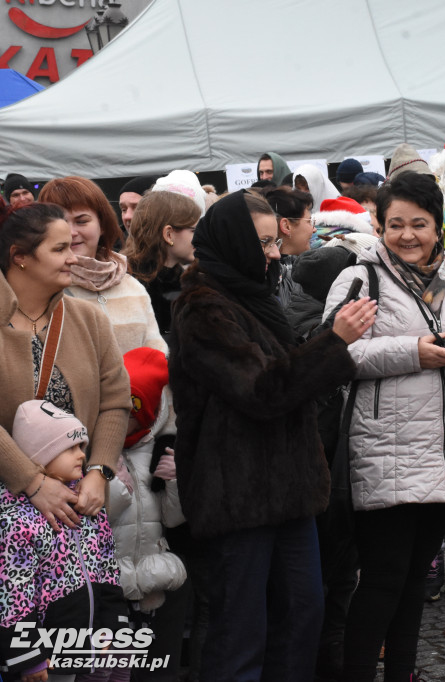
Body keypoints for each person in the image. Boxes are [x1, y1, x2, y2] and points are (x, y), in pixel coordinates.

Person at [167, 189, 376, 681]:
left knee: (301, 616)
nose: (274, 254)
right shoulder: (204, 308)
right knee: (242, 631)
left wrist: (325, 347)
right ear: (235, 242)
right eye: (262, 243)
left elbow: (283, 376)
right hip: (238, 493)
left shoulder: (252, 296)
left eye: (274, 241)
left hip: (288, 489)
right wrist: (333, 342)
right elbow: (261, 390)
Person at [321, 173, 445, 681]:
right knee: (383, 580)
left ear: (438, 226)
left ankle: (402, 673)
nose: (407, 235)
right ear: (379, 225)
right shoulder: (361, 279)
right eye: (395, 224)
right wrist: (412, 353)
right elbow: (335, 355)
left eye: (418, 224)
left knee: (415, 580)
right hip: (386, 451)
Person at [0, 202, 131, 534]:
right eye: (60, 249)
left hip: (79, 510)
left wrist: (100, 471)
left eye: (71, 247)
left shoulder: (88, 318)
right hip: (11, 520)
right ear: (19, 256)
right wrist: (32, 482)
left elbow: (115, 402)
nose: (73, 258)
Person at [1, 400, 128, 682]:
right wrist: (29, 658)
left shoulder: (88, 506)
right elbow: (13, 595)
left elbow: (108, 571)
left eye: (82, 446)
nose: (82, 454)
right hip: (41, 659)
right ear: (40, 455)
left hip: (82, 649)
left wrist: (114, 628)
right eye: (70, 448)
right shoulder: (17, 520)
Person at [107, 347, 189, 682]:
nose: (123, 417)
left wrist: (175, 482)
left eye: (132, 410)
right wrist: (114, 483)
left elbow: (173, 520)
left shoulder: (156, 450)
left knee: (143, 666)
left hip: (150, 585)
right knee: (107, 669)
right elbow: (96, 519)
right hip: (111, 587)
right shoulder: (99, 449)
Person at [38, 177, 166, 355]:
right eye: (60, 222)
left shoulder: (132, 286)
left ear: (102, 225)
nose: (71, 232)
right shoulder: (38, 290)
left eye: (81, 221)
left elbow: (157, 354)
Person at [122, 191, 202, 340]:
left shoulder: (184, 280)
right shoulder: (130, 286)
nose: (199, 238)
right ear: (169, 234)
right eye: (194, 230)